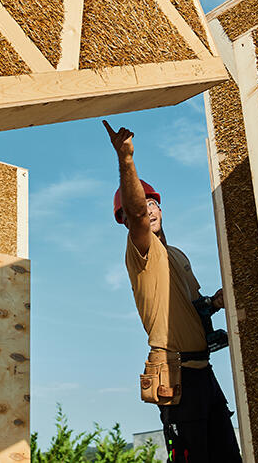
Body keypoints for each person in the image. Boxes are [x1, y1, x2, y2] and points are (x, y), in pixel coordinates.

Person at [103, 119, 242, 463]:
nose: (146, 210)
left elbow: (193, 307)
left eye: (152, 203)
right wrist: (126, 160)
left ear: (161, 207)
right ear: (125, 220)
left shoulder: (176, 255)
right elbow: (136, 214)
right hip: (177, 379)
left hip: (204, 374)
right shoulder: (141, 251)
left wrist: (214, 303)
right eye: (138, 208)